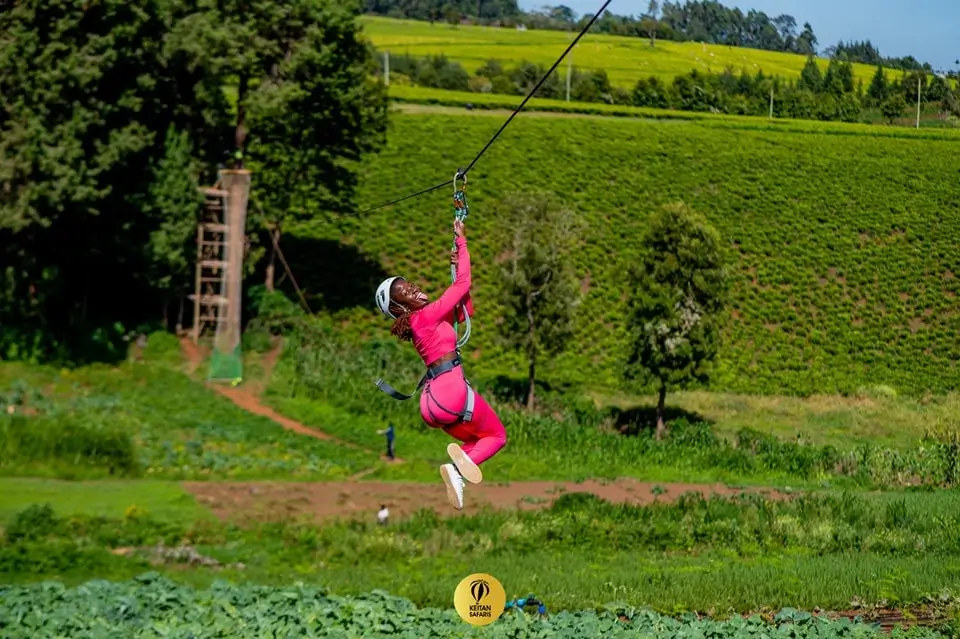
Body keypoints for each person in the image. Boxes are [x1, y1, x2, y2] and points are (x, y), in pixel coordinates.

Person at [374, 218, 507, 511]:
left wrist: (458, 264)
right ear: (399, 308)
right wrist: (462, 242)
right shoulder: (428, 316)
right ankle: (458, 469)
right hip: (450, 391)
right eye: (406, 293)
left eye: (409, 284)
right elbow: (464, 283)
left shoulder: (426, 320)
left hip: (433, 404)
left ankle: (456, 474)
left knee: (478, 442)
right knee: (497, 436)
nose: (414, 289)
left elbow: (464, 313)